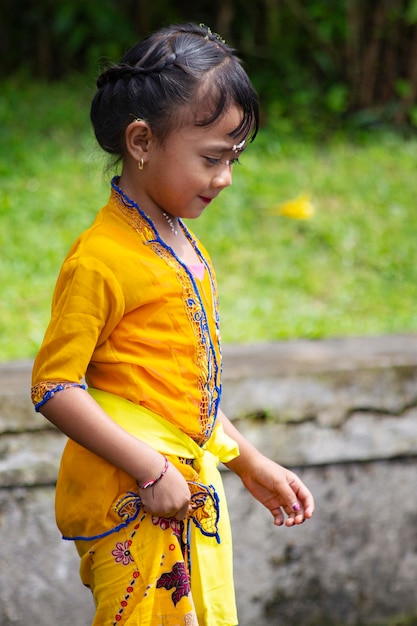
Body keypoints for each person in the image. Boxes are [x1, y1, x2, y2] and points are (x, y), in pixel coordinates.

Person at [31, 22, 314, 626]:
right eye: (211, 158)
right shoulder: (101, 258)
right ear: (141, 141)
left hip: (182, 496)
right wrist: (151, 467)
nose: (226, 179)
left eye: (233, 159)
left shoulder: (179, 240)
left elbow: (177, 393)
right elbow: (54, 388)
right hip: (136, 504)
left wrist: (249, 461)